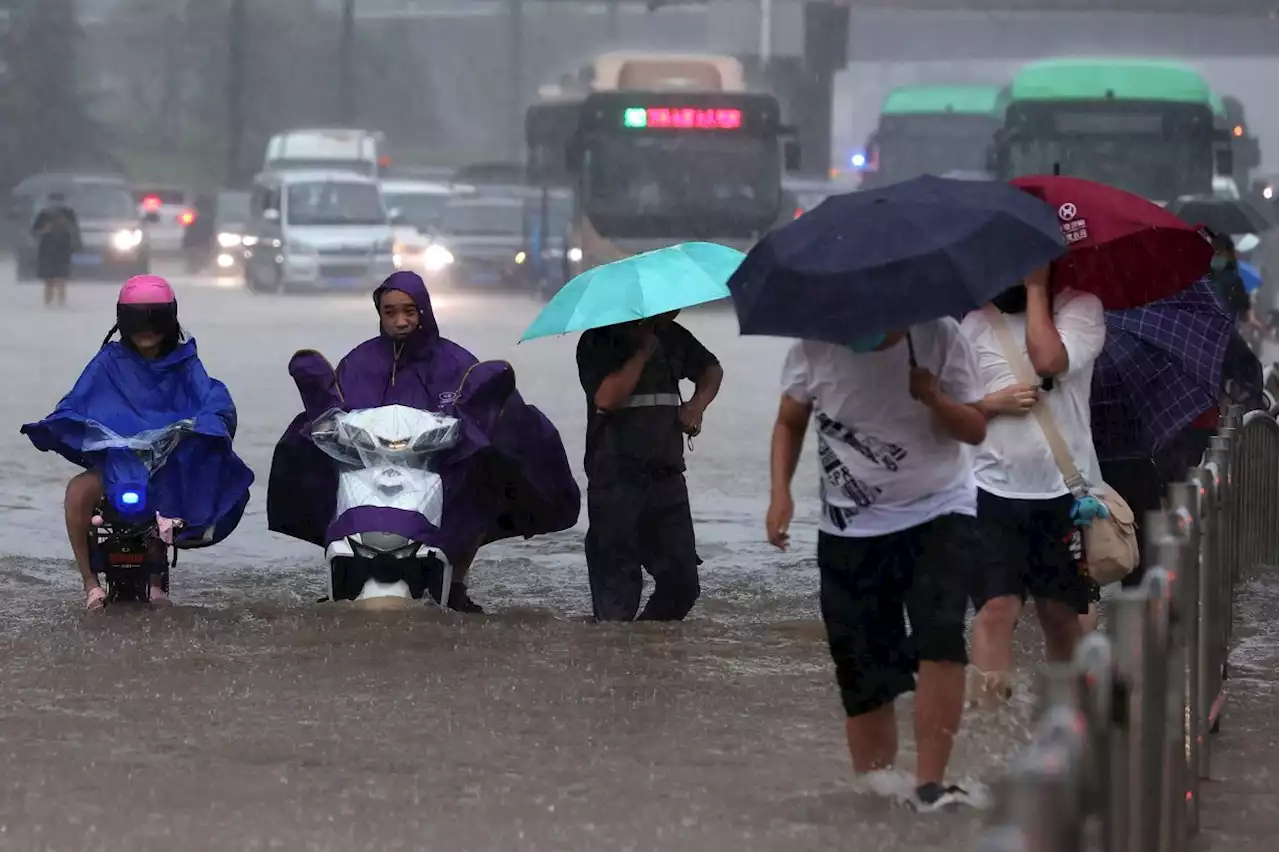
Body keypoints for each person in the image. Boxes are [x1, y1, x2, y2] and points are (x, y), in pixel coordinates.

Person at [766, 321, 987, 812]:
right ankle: (879, 793)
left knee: (941, 635)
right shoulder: (814, 343)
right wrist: (780, 493)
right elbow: (789, 420)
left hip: (939, 509)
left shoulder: (940, 336)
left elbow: (975, 428)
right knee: (863, 669)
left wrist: (934, 397)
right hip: (850, 529)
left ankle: (930, 786)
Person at [267, 270, 580, 613]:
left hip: (440, 469)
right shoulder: (358, 362)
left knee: (478, 484)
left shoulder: (455, 363)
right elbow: (333, 411)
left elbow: (486, 403)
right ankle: (344, 574)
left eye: (409, 311)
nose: (400, 321)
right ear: (380, 314)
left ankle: (456, 582)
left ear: (424, 312)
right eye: (390, 313)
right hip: (367, 467)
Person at [20, 275, 254, 611]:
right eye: (137, 319)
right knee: (76, 494)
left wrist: (211, 421)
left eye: (155, 318)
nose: (146, 329)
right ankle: (91, 585)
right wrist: (64, 420)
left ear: (170, 319)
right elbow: (77, 399)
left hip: (166, 466)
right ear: (122, 321)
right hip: (116, 464)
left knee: (171, 498)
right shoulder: (108, 362)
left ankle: (156, 582)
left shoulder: (186, 363)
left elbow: (212, 398)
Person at [960, 268, 1105, 705]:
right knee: (994, 612)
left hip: (1066, 494)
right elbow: (948, 412)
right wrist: (991, 404)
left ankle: (1070, 726)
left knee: (1063, 617)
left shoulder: (1081, 308)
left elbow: (1048, 361)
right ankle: (991, 731)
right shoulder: (974, 322)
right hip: (990, 492)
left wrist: (1037, 288)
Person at [576, 311, 722, 622]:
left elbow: (712, 370)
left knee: (682, 586)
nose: (676, 309)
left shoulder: (673, 335)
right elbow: (607, 398)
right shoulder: (598, 339)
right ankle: (615, 662)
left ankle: (651, 658)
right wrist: (643, 350)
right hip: (615, 480)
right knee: (616, 600)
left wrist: (696, 407)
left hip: (666, 479)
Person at [32, 192, 80, 307]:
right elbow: (34, 231)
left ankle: (60, 303)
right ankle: (48, 303)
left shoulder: (68, 214)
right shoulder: (44, 214)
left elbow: (75, 231)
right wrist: (45, 230)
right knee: (49, 280)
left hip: (62, 249)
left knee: (61, 279)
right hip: (47, 249)